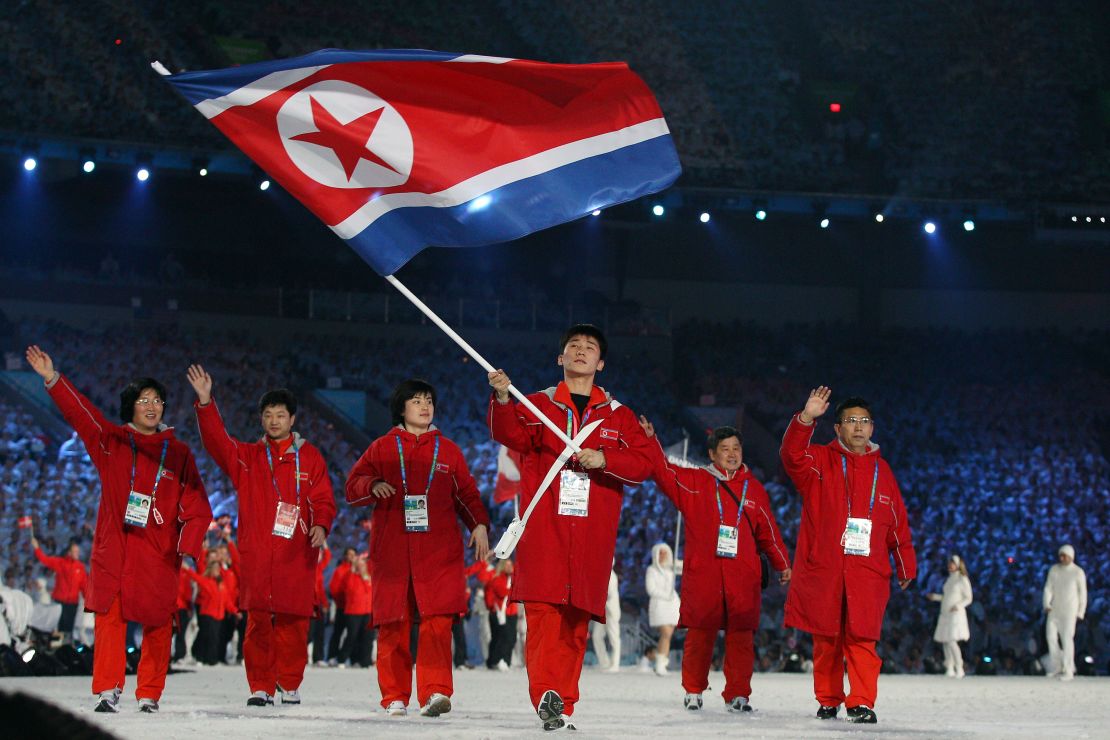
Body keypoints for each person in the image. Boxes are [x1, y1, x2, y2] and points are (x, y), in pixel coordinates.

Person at [25, 345, 212, 714]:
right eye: (144, 399)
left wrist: (186, 545)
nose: (152, 406)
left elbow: (198, 506)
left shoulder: (179, 453)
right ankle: (107, 690)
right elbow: (82, 415)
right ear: (132, 406)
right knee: (110, 620)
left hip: (159, 552)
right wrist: (52, 378)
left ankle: (149, 693)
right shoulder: (110, 443)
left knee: (158, 623)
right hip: (116, 548)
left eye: (157, 400)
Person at [487, 324, 654, 731]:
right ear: (560, 358)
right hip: (546, 530)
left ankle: (562, 702)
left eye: (589, 347)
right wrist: (504, 397)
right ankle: (547, 693)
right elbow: (507, 432)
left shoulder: (619, 416)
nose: (581, 351)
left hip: (592, 535)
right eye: (573, 346)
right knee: (543, 614)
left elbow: (644, 464)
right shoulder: (537, 404)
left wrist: (606, 460)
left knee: (575, 623)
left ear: (601, 363)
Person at [188, 366, 336, 706]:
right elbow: (216, 443)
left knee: (294, 622)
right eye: (268, 415)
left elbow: (324, 499)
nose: (273, 421)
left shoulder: (310, 457)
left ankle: (290, 682)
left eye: (280, 415)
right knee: (257, 622)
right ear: (261, 419)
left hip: (295, 552)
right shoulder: (248, 457)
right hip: (257, 553)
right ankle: (260, 686)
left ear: (292, 419)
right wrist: (206, 401)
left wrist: (321, 524)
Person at [346, 379, 491, 718]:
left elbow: (467, 494)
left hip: (439, 553)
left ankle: (435, 692)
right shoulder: (382, 447)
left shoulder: (449, 451)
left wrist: (479, 524)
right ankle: (394, 696)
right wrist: (373, 483)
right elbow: (352, 487)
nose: (425, 406)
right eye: (416, 400)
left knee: (437, 623)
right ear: (401, 408)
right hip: (393, 552)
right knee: (393, 623)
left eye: (428, 400)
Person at [779, 387, 916, 724]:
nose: (858, 427)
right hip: (825, 567)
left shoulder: (882, 471)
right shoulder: (819, 461)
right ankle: (828, 699)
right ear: (837, 428)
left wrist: (905, 561)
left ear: (872, 428)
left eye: (864, 421)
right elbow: (791, 455)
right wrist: (806, 418)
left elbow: (897, 520)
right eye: (851, 421)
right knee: (826, 638)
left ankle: (861, 702)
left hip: (867, 570)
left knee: (863, 639)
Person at [641, 421, 791, 711]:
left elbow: (768, 532)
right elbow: (662, 470)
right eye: (725, 449)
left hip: (743, 576)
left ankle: (738, 694)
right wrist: (651, 440)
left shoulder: (755, 490)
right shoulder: (695, 482)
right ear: (712, 454)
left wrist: (782, 563)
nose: (732, 453)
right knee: (699, 634)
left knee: (741, 637)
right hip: (705, 575)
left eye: (736, 448)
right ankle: (693, 691)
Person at [30, 537, 87, 643]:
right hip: (60, 602)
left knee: (68, 628)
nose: (77, 553)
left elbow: (84, 586)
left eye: (78, 551)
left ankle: (66, 648)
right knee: (58, 627)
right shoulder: (60, 563)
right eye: (75, 551)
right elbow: (45, 559)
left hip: (72, 603)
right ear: (69, 553)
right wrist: (37, 548)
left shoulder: (80, 567)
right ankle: (56, 647)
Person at [1043, 544, 1087, 681]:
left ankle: (1068, 670)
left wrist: (1081, 611)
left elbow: (1083, 593)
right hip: (1055, 610)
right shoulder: (1054, 570)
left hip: (1069, 611)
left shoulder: (1077, 572)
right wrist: (1046, 603)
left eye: (1065, 555)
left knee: (1067, 639)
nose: (1062, 558)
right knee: (1050, 637)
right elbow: (1048, 588)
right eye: (1060, 555)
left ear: (1071, 557)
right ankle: (1056, 667)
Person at [927, 555, 972, 678]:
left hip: (955, 614)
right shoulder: (949, 579)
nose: (949, 566)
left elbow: (968, 598)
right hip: (946, 613)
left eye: (952, 563)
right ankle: (950, 667)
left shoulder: (962, 579)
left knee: (952, 640)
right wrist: (935, 597)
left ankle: (959, 667)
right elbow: (946, 597)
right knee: (945, 641)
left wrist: (958, 606)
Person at [645, 543, 681, 677]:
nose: (663, 556)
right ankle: (659, 663)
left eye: (665, 553)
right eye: (660, 553)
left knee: (668, 635)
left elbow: (685, 568)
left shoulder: (671, 569)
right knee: (665, 633)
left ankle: (662, 663)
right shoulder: (651, 570)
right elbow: (651, 589)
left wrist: (677, 562)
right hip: (659, 604)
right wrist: (666, 595)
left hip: (671, 605)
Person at [185, 560, 227, 665]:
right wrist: (186, 568)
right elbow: (195, 576)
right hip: (207, 613)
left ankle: (210, 658)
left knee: (214, 637)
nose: (217, 570)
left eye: (218, 568)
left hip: (219, 615)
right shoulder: (206, 581)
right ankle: (202, 657)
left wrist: (235, 611)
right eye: (215, 568)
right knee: (206, 636)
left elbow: (227, 600)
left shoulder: (222, 584)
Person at [337, 556, 374, 668]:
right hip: (353, 611)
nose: (362, 566)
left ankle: (365, 661)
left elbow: (370, 591)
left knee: (368, 637)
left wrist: (365, 577)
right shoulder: (351, 575)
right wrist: (353, 569)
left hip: (367, 611)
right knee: (351, 636)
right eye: (360, 565)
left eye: (363, 564)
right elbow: (347, 588)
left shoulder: (368, 577)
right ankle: (342, 659)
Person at [485, 559, 518, 671]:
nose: (510, 567)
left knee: (511, 638)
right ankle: (497, 660)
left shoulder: (514, 579)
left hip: (511, 612)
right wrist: (512, 590)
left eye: (511, 565)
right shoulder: (497, 578)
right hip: (499, 613)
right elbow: (502, 591)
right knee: (500, 638)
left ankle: (504, 660)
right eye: (507, 565)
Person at [327, 547, 357, 664]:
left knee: (353, 634)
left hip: (354, 609)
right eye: (349, 554)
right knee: (337, 632)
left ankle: (353, 658)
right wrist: (341, 601)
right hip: (342, 607)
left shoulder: (358, 569)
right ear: (345, 555)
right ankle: (332, 656)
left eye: (353, 554)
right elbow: (334, 588)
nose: (351, 557)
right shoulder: (339, 570)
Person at [591, 566, 621, 673]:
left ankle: (615, 664)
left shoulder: (612, 576)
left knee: (614, 638)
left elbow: (610, 594)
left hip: (611, 611)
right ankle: (604, 663)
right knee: (596, 636)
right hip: (602, 611)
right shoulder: (600, 575)